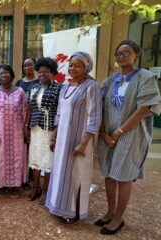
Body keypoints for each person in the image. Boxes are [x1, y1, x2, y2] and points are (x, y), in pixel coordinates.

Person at [96, 40, 161, 235]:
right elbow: (101, 107)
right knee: (108, 173)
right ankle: (109, 212)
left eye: (126, 53)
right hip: (108, 134)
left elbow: (145, 108)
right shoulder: (110, 80)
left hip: (131, 134)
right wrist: (104, 133)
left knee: (122, 175)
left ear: (136, 55)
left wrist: (120, 132)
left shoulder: (145, 77)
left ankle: (118, 218)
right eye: (118, 54)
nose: (121, 57)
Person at [45, 52, 102, 223]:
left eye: (77, 65)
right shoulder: (66, 87)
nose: (73, 68)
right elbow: (59, 114)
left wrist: (83, 144)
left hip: (79, 139)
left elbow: (94, 117)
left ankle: (74, 212)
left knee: (77, 174)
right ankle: (59, 206)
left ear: (86, 67)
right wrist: (54, 138)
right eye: (71, 65)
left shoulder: (92, 86)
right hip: (62, 139)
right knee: (61, 172)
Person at [0, 64, 28, 198]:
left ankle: (15, 186)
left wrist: (26, 129)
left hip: (17, 132)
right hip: (0, 132)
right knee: (2, 158)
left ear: (12, 75)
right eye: (1, 73)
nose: (4, 75)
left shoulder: (20, 91)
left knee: (17, 157)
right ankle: (3, 185)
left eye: (6, 73)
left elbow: (25, 111)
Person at [24, 57, 62, 203]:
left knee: (47, 159)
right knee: (35, 157)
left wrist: (56, 134)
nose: (42, 75)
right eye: (40, 72)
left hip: (49, 128)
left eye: (46, 72)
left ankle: (46, 190)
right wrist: (25, 126)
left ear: (53, 73)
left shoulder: (59, 88)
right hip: (35, 128)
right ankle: (36, 187)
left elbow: (60, 112)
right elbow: (29, 107)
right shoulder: (34, 87)